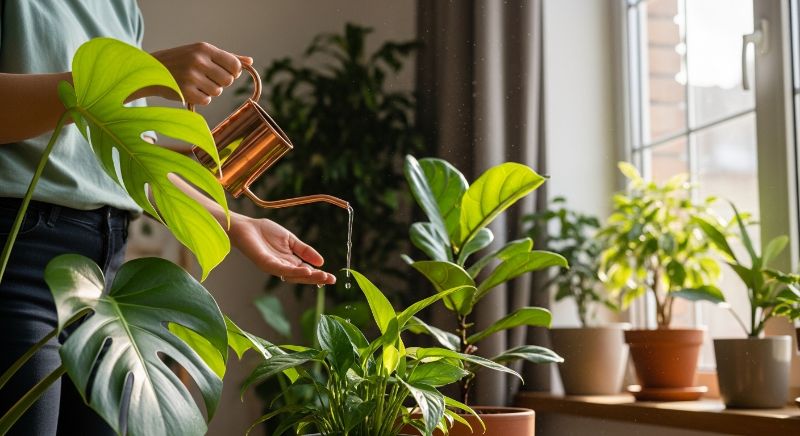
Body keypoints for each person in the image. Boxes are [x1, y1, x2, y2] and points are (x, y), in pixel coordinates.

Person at [0, 1, 336, 434]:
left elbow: (129, 161)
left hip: (108, 276)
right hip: (18, 256)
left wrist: (234, 224)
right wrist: (142, 75)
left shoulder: (119, 7)